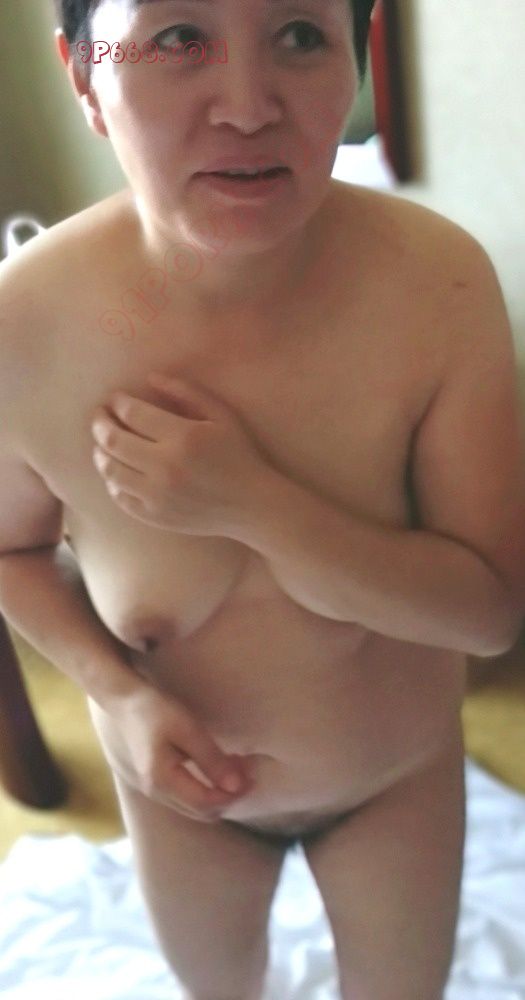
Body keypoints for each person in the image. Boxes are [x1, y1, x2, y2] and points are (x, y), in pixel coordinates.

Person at [1, 1, 524, 997]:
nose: (247, 107)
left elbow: (488, 610)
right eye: (178, 40)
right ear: (85, 77)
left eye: (298, 36)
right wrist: (119, 693)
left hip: (392, 783)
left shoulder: (436, 287)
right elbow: (10, 550)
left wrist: (253, 503)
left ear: (356, 56)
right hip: (178, 800)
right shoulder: (24, 322)